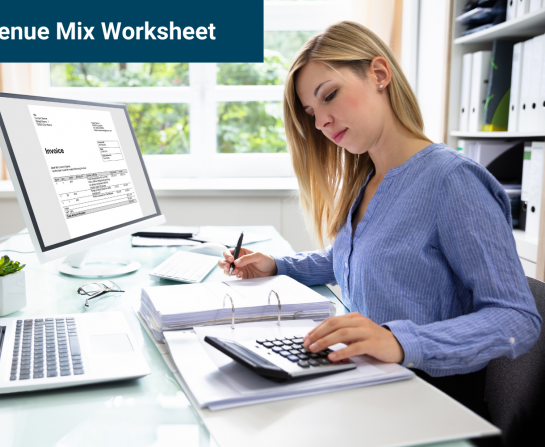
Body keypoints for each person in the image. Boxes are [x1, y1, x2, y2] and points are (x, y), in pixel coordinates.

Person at [218, 21, 541, 417]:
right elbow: (360, 254)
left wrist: (402, 341)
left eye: (330, 96)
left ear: (379, 75)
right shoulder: (367, 178)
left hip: (426, 404)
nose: (320, 122)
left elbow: (517, 318)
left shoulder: (451, 181)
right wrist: (278, 265)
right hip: (368, 386)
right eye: (311, 112)